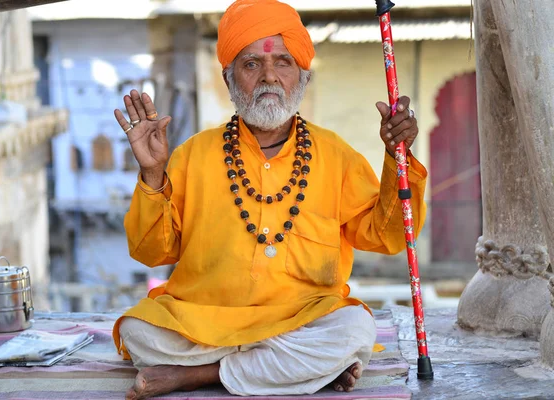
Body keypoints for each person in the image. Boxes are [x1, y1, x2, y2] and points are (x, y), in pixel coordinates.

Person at [112, 1, 427, 399]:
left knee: (353, 329)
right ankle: (293, 370)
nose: (269, 78)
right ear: (228, 80)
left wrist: (397, 156)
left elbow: (388, 237)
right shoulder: (193, 154)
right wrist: (153, 175)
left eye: (283, 63)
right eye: (251, 65)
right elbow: (151, 252)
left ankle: (196, 376)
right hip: (204, 321)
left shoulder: (335, 154)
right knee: (137, 331)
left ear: (303, 78)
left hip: (302, 320)